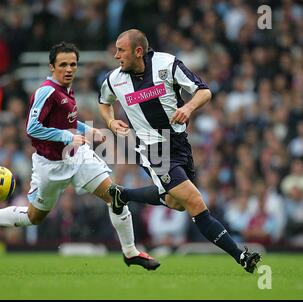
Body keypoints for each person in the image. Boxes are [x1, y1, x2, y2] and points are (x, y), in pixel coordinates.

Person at [0, 42, 160, 271]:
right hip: (50, 165)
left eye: (73, 64)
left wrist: (88, 130)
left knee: (115, 195)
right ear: (51, 67)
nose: (69, 69)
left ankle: (130, 252)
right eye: (63, 64)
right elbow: (32, 128)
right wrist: (68, 137)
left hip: (77, 157)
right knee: (34, 217)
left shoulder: (67, 89)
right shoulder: (46, 91)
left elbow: (67, 121)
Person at [98, 29, 261, 273]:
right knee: (195, 201)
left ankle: (124, 194)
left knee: (177, 203)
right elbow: (104, 103)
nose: (116, 55)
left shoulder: (167, 64)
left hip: (179, 144)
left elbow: (204, 91)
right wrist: (110, 122)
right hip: (153, 148)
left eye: (121, 50)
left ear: (138, 51)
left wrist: (189, 107)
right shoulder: (115, 79)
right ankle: (242, 256)